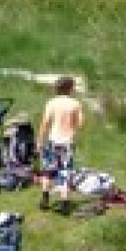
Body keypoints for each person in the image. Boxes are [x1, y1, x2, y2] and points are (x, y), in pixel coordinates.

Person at [36, 76, 86, 209]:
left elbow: (45, 123)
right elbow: (81, 123)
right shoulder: (75, 103)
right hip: (67, 141)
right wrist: (73, 129)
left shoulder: (51, 102)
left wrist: (40, 141)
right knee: (65, 171)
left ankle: (45, 198)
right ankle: (64, 203)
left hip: (53, 140)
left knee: (47, 171)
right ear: (70, 88)